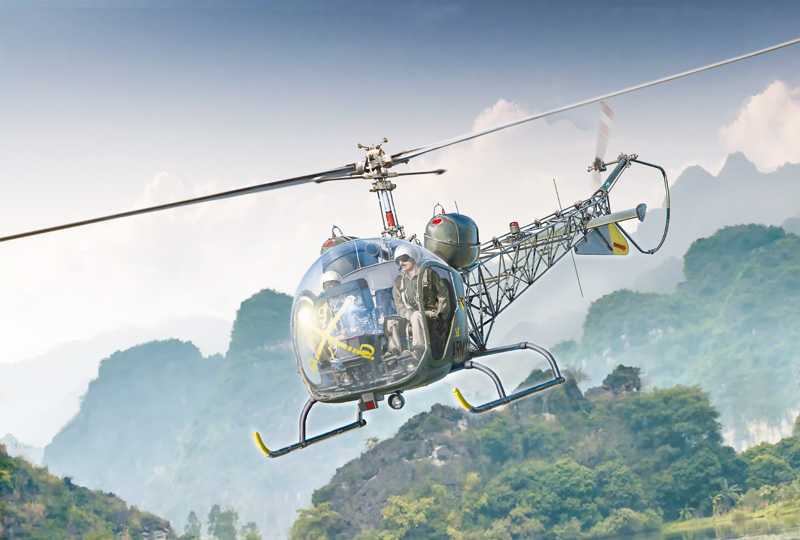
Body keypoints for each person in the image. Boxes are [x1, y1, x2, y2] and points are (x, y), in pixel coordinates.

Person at [387, 244, 450, 358]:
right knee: (391, 321)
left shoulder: (428, 274)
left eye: (404, 259)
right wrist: (407, 313)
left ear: (413, 258)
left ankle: (419, 351)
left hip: (430, 313)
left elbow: (443, 295)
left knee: (416, 316)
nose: (401, 263)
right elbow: (399, 305)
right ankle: (395, 354)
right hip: (410, 314)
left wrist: (440, 315)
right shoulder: (399, 281)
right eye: (398, 261)